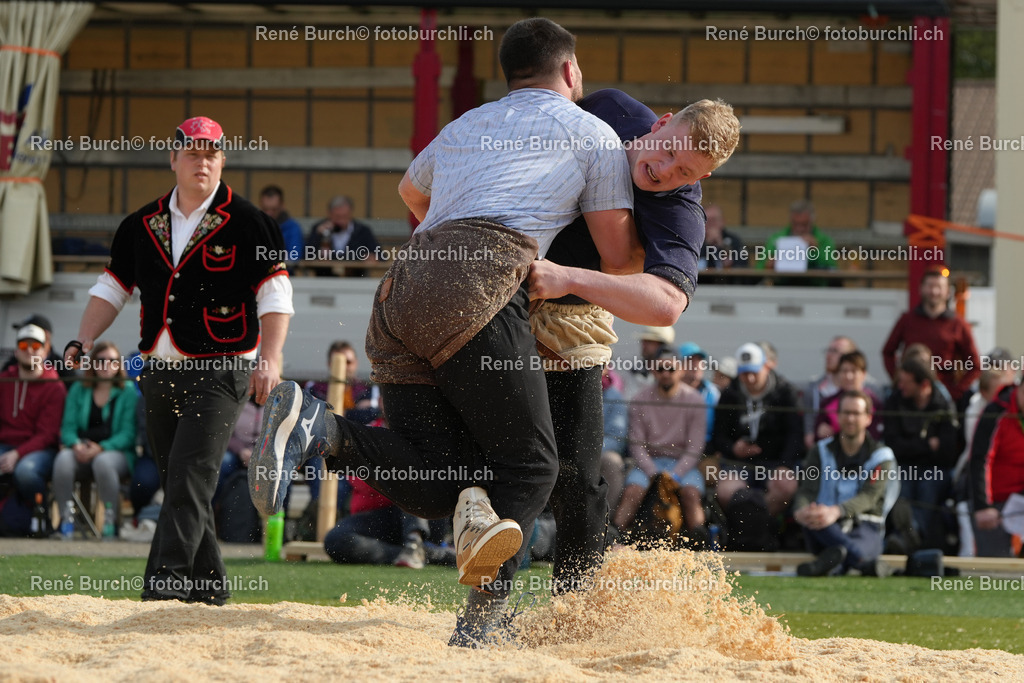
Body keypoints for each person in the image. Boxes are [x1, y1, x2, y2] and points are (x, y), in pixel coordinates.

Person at [250, 17, 637, 647]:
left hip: (404, 283)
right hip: (480, 281)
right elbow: (618, 258)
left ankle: (320, 425)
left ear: (510, 74)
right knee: (535, 466)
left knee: (440, 479)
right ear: (571, 72)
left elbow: (409, 187)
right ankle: (484, 621)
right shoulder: (593, 133)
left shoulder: (468, 124)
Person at [64, 115, 293, 604]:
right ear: (173, 159)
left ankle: (162, 592)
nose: (202, 162)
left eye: (212, 154)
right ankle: (210, 592)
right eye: (193, 152)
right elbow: (112, 288)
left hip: (224, 365)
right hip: (158, 370)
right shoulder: (140, 224)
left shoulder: (249, 221)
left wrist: (270, 359)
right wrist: (82, 341)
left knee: (189, 477)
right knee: (180, 482)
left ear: (223, 160)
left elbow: (275, 295)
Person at [525, 90, 738, 591]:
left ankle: (573, 604)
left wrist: (569, 279)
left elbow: (665, 305)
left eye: (684, 171)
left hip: (571, 317)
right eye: (666, 150)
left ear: (701, 178)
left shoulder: (683, 210)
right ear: (661, 121)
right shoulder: (610, 108)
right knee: (506, 453)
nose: (664, 170)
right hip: (507, 285)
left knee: (577, 474)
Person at [793, 390, 899, 577]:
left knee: (850, 547)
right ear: (838, 416)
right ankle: (863, 564)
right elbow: (807, 491)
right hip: (824, 525)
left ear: (868, 418)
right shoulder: (819, 450)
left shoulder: (882, 456)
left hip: (865, 524)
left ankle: (833, 564)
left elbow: (869, 497)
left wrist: (837, 511)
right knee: (815, 519)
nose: (850, 419)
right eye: (846, 413)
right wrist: (801, 510)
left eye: (856, 413)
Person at [709, 342, 803, 551]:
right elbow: (719, 435)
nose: (750, 379)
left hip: (775, 460)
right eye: (744, 374)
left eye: (754, 372)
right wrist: (734, 448)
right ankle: (752, 535)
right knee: (725, 491)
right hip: (738, 462)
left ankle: (759, 532)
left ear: (767, 367)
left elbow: (795, 435)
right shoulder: (730, 393)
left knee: (786, 486)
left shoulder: (786, 392)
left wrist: (785, 465)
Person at [613, 348, 707, 545]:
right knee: (632, 492)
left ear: (680, 370)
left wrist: (676, 475)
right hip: (649, 462)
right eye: (661, 369)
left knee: (691, 493)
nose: (665, 373)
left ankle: (699, 542)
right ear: (653, 371)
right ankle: (614, 537)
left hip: (682, 463)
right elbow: (636, 444)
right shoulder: (639, 399)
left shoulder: (695, 400)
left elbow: (695, 447)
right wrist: (653, 473)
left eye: (671, 369)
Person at [52, 341, 138, 535]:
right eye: (101, 360)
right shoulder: (78, 389)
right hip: (81, 449)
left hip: (115, 452)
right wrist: (75, 445)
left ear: (119, 365)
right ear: (92, 363)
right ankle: (66, 518)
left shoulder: (128, 391)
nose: (107, 365)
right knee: (63, 460)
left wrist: (101, 447)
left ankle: (110, 521)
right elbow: (68, 428)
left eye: (113, 361)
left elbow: (128, 434)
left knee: (103, 462)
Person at [882, 357, 960, 552]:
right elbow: (893, 445)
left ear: (923, 384)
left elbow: (948, 452)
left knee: (927, 490)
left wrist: (913, 446)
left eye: (905, 382)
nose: (899, 386)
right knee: (903, 491)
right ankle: (911, 535)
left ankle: (907, 534)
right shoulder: (895, 401)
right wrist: (927, 445)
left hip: (935, 469)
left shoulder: (943, 406)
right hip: (904, 466)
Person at [0, 318, 67, 527]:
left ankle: (41, 521)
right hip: (6, 445)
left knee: (26, 472)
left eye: (36, 346)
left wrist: (17, 454)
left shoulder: (54, 387)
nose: (30, 350)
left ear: (45, 352)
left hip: (41, 450)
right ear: (16, 351)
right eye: (23, 345)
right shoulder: (4, 380)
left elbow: (47, 434)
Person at [882, 267, 980, 405]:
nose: (934, 292)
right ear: (921, 288)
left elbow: (975, 365)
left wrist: (956, 392)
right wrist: (900, 380)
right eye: (930, 286)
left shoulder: (958, 324)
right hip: (910, 396)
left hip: (944, 397)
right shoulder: (907, 320)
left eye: (939, 287)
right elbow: (888, 352)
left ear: (947, 292)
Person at [970, 379, 1024, 557]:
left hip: (1021, 501)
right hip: (994, 505)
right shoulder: (997, 411)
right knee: (995, 570)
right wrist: (983, 505)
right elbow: (980, 459)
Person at [755, 200, 838, 284]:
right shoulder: (776, 239)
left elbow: (831, 270)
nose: (800, 229)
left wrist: (816, 251)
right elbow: (759, 269)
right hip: (783, 289)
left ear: (812, 222)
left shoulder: (824, 241)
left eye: (804, 225)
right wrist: (769, 265)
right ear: (790, 221)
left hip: (815, 290)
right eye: (796, 224)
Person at [813, 350, 883, 443]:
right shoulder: (827, 403)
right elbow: (819, 437)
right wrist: (821, 433)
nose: (848, 376)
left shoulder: (875, 404)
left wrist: (836, 434)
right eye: (844, 371)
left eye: (854, 371)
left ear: (863, 374)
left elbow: (875, 436)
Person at [305, 196, 382, 276]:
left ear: (351, 213)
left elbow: (381, 256)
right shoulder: (319, 229)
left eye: (345, 216)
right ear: (329, 214)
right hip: (325, 279)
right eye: (338, 217)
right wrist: (318, 236)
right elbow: (306, 256)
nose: (341, 221)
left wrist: (372, 257)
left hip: (355, 280)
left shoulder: (363, 231)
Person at [803, 336, 857, 449]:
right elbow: (809, 437)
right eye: (828, 350)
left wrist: (837, 434)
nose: (828, 355)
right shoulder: (813, 389)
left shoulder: (866, 391)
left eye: (835, 351)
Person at [600, 366, 629, 512]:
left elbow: (617, 437)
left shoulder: (614, 396)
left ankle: (606, 518)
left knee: (613, 462)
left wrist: (591, 452)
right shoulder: (571, 390)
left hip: (601, 452)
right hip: (572, 450)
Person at [679, 341, 720, 444]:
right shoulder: (668, 392)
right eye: (690, 360)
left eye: (699, 360)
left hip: (707, 448)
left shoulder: (713, 392)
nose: (696, 364)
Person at [699, 204, 748, 284]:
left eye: (714, 220)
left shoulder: (734, 240)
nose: (711, 224)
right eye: (707, 221)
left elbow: (742, 265)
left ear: (722, 221)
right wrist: (706, 245)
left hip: (731, 286)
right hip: (703, 286)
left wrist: (721, 246)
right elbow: (696, 264)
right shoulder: (696, 242)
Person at [258, 185, 305, 265]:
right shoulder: (255, 227)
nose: (269, 213)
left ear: (282, 206)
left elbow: (294, 256)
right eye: (265, 209)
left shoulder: (292, 228)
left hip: (283, 274)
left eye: (274, 209)